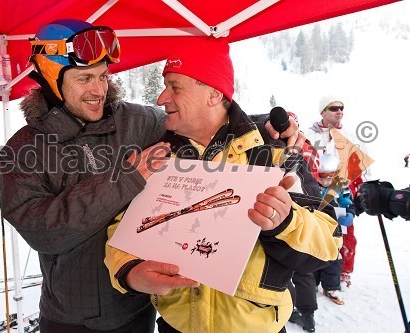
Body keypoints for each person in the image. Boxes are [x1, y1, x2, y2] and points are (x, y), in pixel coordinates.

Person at [0, 19, 306, 333]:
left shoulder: (135, 121)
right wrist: (127, 178)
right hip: (70, 317)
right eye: (85, 78)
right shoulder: (23, 149)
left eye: (103, 76)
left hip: (136, 308)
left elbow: (201, 120)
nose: (98, 89)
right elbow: (45, 233)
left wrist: (265, 125)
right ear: (52, 79)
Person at [105, 38, 342, 333]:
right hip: (175, 327)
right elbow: (122, 228)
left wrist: (287, 222)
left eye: (175, 87)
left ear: (214, 94)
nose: (161, 98)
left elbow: (329, 240)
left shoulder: (273, 154)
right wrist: (128, 271)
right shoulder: (160, 158)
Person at [289, 154, 355, 332]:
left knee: (333, 258)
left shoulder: (340, 187)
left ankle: (331, 286)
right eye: (323, 176)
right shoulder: (310, 183)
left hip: (333, 228)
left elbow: (348, 203)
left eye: (330, 177)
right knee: (313, 259)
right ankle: (315, 286)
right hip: (316, 227)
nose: (326, 181)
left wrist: (349, 214)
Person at [305, 95, 362, 288]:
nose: (339, 111)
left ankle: (343, 273)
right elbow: (303, 163)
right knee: (317, 235)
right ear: (323, 112)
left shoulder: (349, 135)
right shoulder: (310, 135)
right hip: (316, 190)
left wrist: (361, 189)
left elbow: (358, 166)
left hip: (341, 191)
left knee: (346, 234)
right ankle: (313, 277)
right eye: (333, 108)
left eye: (341, 108)